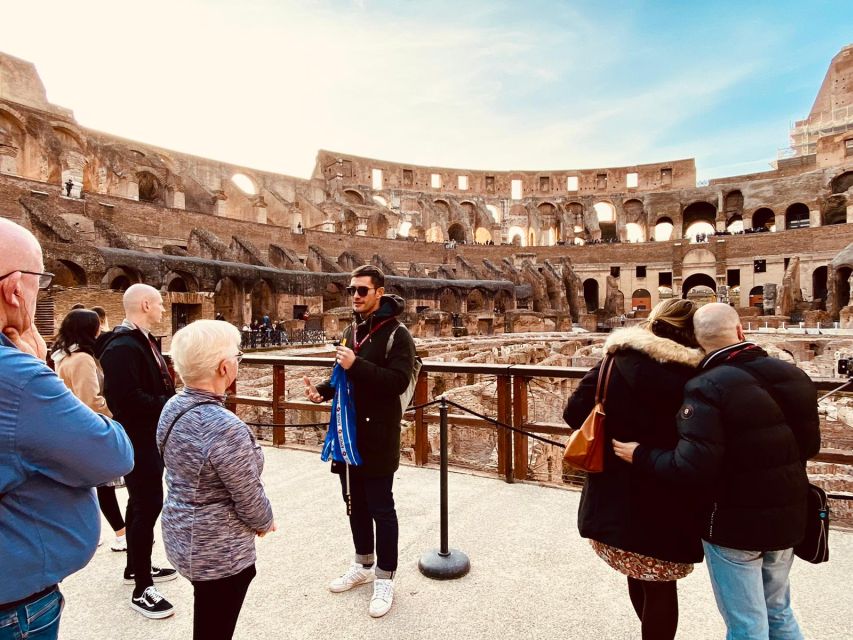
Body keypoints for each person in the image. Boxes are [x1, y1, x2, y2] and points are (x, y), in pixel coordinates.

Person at [613, 303, 821, 639]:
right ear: (741, 331)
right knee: (779, 610)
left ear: (697, 340)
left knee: (746, 622)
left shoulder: (705, 387)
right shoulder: (794, 375)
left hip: (734, 523)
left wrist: (641, 455)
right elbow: (809, 447)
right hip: (790, 513)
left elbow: (691, 465)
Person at [0, 218, 133, 639]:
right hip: (15, 605)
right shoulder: (16, 377)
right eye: (40, 279)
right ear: (15, 289)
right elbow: (112, 456)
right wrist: (40, 370)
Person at [563, 299, 705, 640]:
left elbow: (573, 414)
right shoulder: (702, 373)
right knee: (660, 584)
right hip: (669, 491)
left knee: (638, 571)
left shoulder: (617, 360)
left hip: (616, 491)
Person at [303, 265, 416, 618]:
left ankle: (385, 577)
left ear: (379, 293)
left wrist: (355, 365)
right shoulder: (352, 330)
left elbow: (396, 381)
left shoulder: (398, 335)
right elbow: (342, 376)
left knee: (382, 507)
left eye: (362, 290)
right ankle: (363, 564)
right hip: (346, 434)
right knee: (355, 503)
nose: (355, 295)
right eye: (352, 289)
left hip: (379, 434)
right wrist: (322, 392)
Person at [158, 320, 275, 640]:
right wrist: (265, 520)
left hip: (182, 530)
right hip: (217, 549)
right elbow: (247, 493)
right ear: (225, 367)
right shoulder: (223, 426)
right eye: (238, 356)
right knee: (215, 626)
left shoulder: (172, 406)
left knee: (209, 615)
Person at [100, 283, 178, 618]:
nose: (163, 309)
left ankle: (136, 565)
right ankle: (142, 587)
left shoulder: (139, 340)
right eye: (160, 304)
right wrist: (171, 403)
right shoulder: (121, 347)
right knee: (148, 504)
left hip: (148, 438)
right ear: (145, 304)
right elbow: (125, 401)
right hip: (137, 439)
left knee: (141, 503)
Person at [52, 308, 127, 552]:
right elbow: (91, 400)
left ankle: (104, 533)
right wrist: (116, 415)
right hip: (90, 427)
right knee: (104, 484)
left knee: (92, 485)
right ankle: (121, 533)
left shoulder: (63, 356)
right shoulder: (83, 359)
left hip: (72, 427)